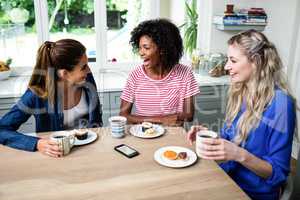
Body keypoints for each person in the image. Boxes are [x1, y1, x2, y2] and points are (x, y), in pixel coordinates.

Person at [187, 29, 296, 200]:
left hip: (252, 192)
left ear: (256, 62)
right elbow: (230, 140)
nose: (226, 66)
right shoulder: (241, 91)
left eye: (233, 60)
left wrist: (238, 154)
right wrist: (209, 135)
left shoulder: (281, 104)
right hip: (226, 179)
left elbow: (278, 174)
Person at [0, 39, 102, 157]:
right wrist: (37, 143)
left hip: (90, 151)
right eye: (84, 67)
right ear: (64, 74)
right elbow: (2, 129)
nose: (89, 70)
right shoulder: (37, 94)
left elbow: (96, 118)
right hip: (57, 155)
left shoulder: (86, 79)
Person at [120, 18, 199, 125]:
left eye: (146, 47)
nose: (141, 53)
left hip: (174, 136)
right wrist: (160, 120)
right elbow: (123, 115)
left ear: (163, 49)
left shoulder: (185, 74)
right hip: (144, 135)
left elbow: (189, 115)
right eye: (139, 48)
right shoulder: (135, 76)